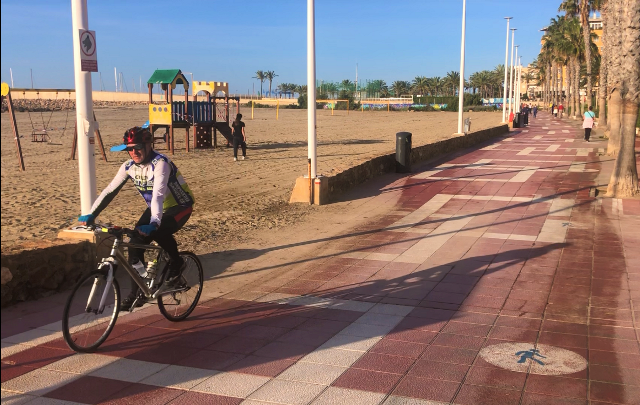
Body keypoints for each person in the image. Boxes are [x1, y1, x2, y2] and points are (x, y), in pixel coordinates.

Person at [78, 126, 195, 310]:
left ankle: (177, 262)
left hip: (179, 206)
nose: (134, 152)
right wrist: (92, 213)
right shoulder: (129, 166)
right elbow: (110, 191)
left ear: (149, 145)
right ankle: (137, 293)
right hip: (156, 208)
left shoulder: (161, 164)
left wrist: (155, 223)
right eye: (129, 148)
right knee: (134, 244)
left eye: (138, 147)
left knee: (160, 231)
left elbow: (157, 195)